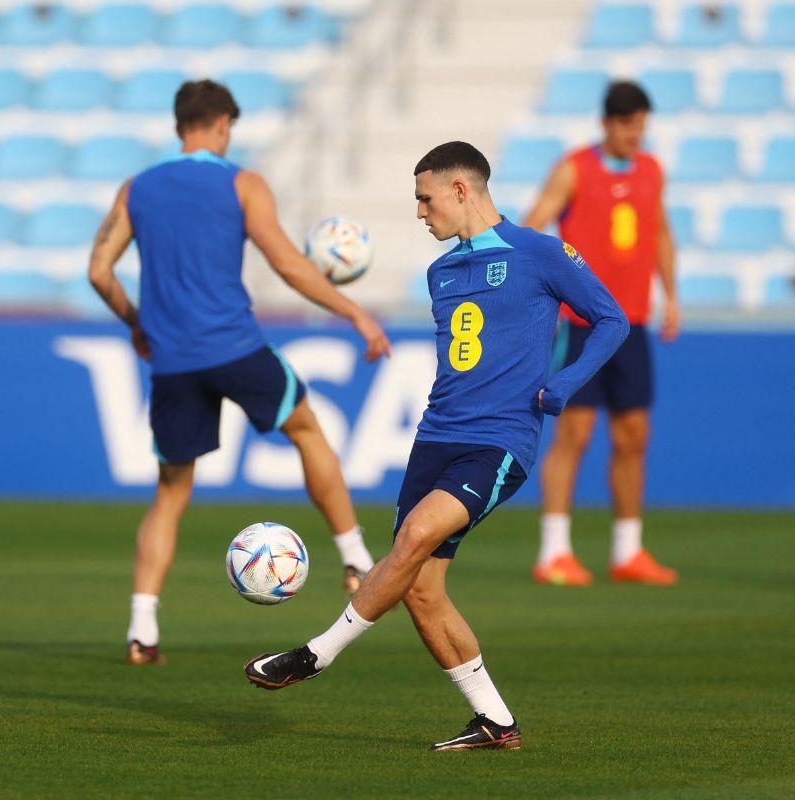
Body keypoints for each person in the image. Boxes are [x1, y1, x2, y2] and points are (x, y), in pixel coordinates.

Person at [242, 142, 629, 751]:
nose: (420, 212)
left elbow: (612, 319)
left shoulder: (540, 253)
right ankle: (495, 722)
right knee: (421, 588)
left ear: (460, 190)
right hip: (436, 435)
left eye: (425, 198)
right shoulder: (440, 272)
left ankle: (314, 655)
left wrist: (564, 384)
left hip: (500, 441)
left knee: (415, 539)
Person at [88, 79, 392, 665]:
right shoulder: (241, 183)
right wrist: (355, 312)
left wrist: (136, 323)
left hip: (174, 361)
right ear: (224, 124)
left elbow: (100, 270)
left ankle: (142, 629)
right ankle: (354, 557)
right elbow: (286, 264)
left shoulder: (137, 189)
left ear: (181, 125)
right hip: (233, 347)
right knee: (306, 429)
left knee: (171, 492)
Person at [525, 81, 680, 586]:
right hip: (582, 323)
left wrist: (671, 296)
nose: (635, 135)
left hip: (632, 322)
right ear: (608, 123)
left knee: (635, 435)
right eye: (628, 125)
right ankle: (554, 551)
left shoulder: (653, 171)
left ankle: (628, 551)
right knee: (575, 434)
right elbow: (534, 226)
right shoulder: (574, 169)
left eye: (641, 126)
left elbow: (659, 231)